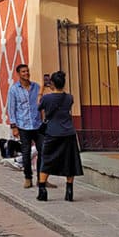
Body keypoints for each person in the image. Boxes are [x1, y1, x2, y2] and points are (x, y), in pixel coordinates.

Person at [6, 64, 56, 189]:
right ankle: (28, 178)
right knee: (26, 152)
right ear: (18, 74)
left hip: (37, 125)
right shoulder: (14, 90)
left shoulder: (36, 87)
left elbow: (41, 105)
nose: (26, 73)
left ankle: (41, 179)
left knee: (43, 151)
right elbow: (11, 109)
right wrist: (14, 127)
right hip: (23, 126)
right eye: (23, 71)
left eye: (27, 71)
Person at [36, 71, 83, 202]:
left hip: (52, 132)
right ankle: (69, 191)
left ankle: (42, 190)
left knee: (47, 159)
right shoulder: (69, 98)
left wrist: (41, 91)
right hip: (68, 133)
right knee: (70, 161)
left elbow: (39, 106)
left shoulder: (47, 98)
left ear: (51, 83)